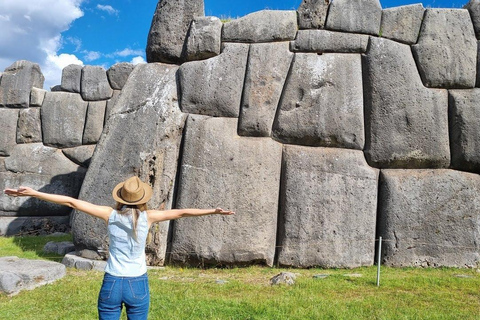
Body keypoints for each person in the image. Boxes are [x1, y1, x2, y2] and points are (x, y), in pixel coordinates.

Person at [4, 176, 234, 320]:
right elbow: (182, 212)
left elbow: (71, 202)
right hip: (137, 283)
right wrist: (213, 211)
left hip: (112, 281)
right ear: (142, 199)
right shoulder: (149, 217)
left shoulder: (109, 214)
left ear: (121, 197)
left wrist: (34, 192)